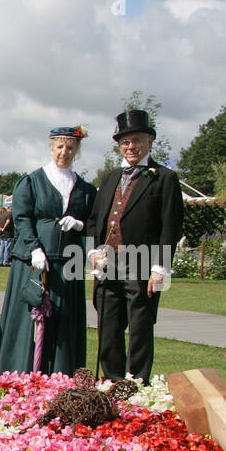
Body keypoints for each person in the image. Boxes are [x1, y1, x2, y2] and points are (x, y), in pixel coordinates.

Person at [87, 108, 185, 384]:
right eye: (126, 142)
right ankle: (113, 379)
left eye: (137, 140)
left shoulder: (164, 178)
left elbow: (171, 226)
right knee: (108, 323)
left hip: (142, 261)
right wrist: (94, 252)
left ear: (150, 141)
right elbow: (96, 220)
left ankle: (137, 381)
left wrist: (160, 268)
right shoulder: (110, 178)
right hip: (108, 262)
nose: (131, 147)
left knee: (141, 325)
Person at [0, 125, 98, 374]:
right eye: (60, 146)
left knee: (64, 322)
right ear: (52, 148)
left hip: (67, 264)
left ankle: (60, 374)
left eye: (70, 147)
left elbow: (94, 222)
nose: (65, 151)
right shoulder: (31, 182)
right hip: (33, 262)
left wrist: (80, 223)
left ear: (76, 151)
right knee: (30, 320)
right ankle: (20, 372)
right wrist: (34, 249)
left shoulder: (84, 189)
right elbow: (22, 218)